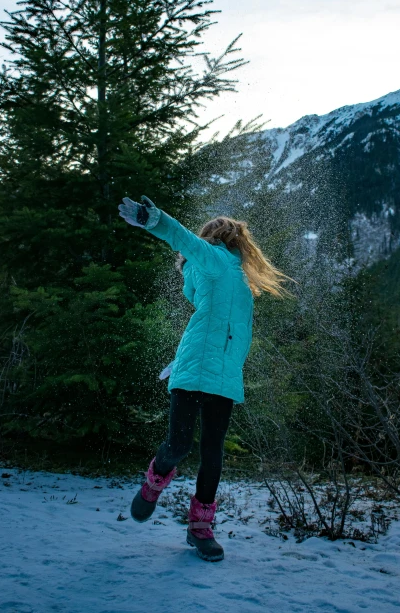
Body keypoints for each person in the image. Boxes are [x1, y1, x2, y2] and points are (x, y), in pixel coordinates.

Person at [118, 194, 296, 562]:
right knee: (180, 445)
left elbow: (204, 304)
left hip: (225, 378)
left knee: (211, 455)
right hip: (193, 369)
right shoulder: (214, 260)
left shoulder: (239, 280)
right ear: (230, 240)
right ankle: (153, 484)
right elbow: (182, 238)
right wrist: (155, 219)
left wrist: (187, 267)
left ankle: (200, 527)